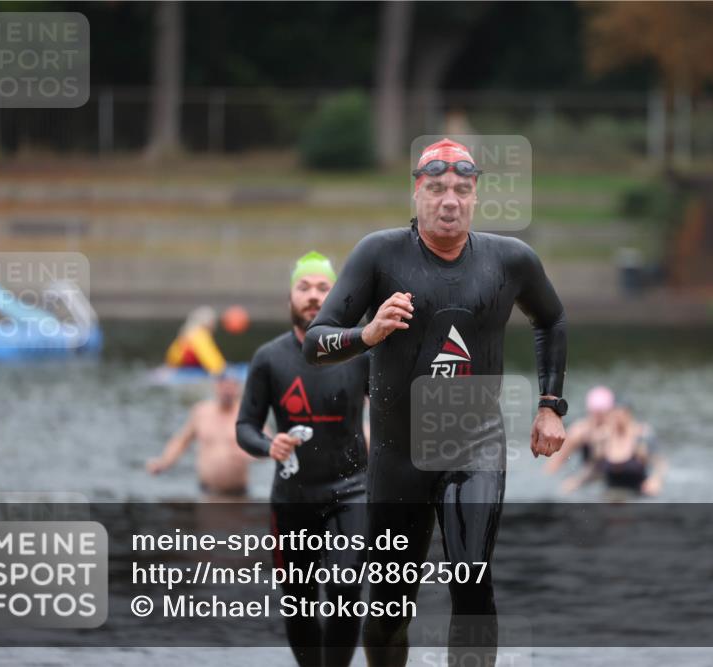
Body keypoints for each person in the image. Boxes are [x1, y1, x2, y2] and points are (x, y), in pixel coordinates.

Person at [303, 138, 568, 666]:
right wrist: (368, 334)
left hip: (474, 448)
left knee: (471, 581)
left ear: (475, 197)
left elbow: (552, 319)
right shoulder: (379, 254)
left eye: (462, 190)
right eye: (438, 188)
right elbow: (316, 342)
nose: (450, 200)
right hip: (398, 458)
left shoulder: (511, 260)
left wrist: (550, 404)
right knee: (387, 615)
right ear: (417, 192)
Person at [237, 251, 370, 667]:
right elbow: (245, 427)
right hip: (292, 498)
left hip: (352, 491)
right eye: (304, 287)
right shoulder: (269, 358)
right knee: (298, 602)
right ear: (289, 298)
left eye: (322, 288)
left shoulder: (360, 352)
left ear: (337, 297)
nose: (313, 296)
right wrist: (267, 445)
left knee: (346, 593)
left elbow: (394, 409)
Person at [146, 373, 255, 500]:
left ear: (238, 389)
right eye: (224, 385)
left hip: (239, 494)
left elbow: (267, 445)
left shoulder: (247, 415)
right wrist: (163, 462)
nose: (227, 390)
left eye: (232, 386)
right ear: (216, 386)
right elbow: (181, 441)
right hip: (208, 493)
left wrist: (250, 453)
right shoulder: (202, 412)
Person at [547, 386, 666, 497]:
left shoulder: (642, 435)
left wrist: (655, 480)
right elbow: (593, 468)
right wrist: (577, 481)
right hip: (610, 493)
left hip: (636, 493)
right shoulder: (593, 435)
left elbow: (659, 463)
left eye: (602, 415)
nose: (598, 419)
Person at [165, 305, 227, 375]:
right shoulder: (199, 335)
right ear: (208, 322)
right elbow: (211, 360)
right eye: (213, 322)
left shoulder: (187, 333)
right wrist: (222, 370)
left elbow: (171, 357)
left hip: (177, 370)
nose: (215, 325)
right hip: (184, 372)